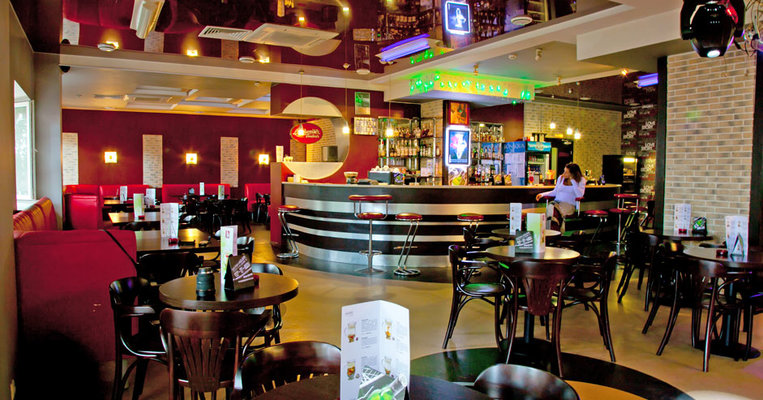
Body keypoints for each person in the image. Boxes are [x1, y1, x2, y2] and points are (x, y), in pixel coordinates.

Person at [535, 163, 585, 231]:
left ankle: (553, 230)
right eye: (564, 171)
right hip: (557, 203)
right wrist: (542, 194)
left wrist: (573, 181)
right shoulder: (561, 178)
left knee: (553, 210)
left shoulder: (581, 180)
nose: (564, 174)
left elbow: (579, 195)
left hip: (569, 205)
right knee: (552, 207)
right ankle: (555, 230)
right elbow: (555, 192)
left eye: (566, 172)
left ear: (572, 174)